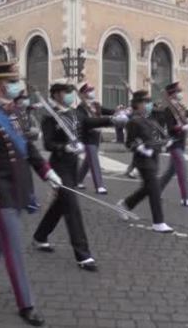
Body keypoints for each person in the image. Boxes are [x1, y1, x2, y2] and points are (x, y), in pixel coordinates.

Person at [0, 62, 61, 327]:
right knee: (13, 244)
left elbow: (27, 147)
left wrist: (47, 171)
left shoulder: (15, 112)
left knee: (0, 236)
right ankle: (26, 304)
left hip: (19, 188)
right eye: (12, 81)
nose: (17, 85)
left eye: (17, 81)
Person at [32, 79, 124, 271]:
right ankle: (83, 255)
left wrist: (112, 119)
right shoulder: (50, 117)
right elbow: (47, 144)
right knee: (72, 206)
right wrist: (64, 146)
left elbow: (89, 122)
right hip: (59, 165)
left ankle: (40, 236)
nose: (70, 95)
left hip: (72, 164)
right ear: (57, 94)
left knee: (60, 205)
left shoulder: (74, 113)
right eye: (67, 92)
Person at [116, 90, 173, 233]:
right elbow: (129, 143)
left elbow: (155, 138)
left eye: (149, 101)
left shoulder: (149, 119)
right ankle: (158, 222)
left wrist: (164, 143)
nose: (149, 104)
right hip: (143, 161)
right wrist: (140, 147)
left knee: (148, 188)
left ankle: (125, 204)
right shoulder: (134, 121)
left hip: (154, 157)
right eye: (145, 102)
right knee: (154, 190)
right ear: (137, 104)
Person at [155, 82, 188, 208]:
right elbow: (171, 128)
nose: (180, 94)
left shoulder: (179, 107)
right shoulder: (168, 109)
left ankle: (155, 191)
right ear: (172, 94)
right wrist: (183, 127)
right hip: (174, 143)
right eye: (178, 91)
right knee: (182, 169)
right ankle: (186, 198)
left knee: (170, 171)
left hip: (181, 142)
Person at [76, 83, 113, 194]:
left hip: (97, 136)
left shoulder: (96, 105)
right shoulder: (80, 108)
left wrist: (118, 111)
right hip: (88, 136)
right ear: (83, 94)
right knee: (94, 160)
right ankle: (99, 186)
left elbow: (107, 111)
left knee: (88, 160)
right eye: (89, 90)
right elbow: (85, 122)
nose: (92, 92)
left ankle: (78, 180)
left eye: (92, 89)